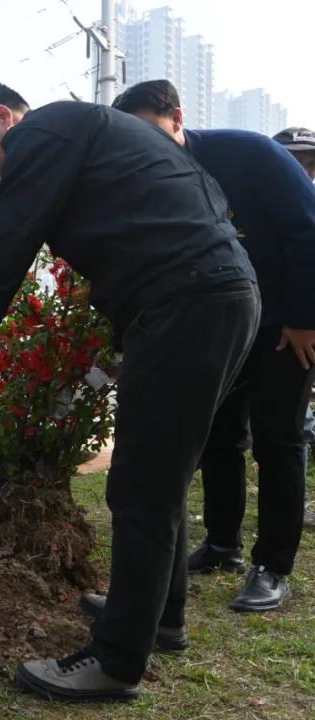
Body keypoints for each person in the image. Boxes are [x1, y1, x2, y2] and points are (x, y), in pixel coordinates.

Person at [0, 81, 257, 702]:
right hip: (215, 296)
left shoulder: (41, 134)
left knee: (139, 484)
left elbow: (7, 239)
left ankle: (116, 662)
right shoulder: (99, 134)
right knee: (159, 474)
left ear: (3, 117)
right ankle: (158, 616)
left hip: (186, 302)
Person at [112, 80, 315, 613]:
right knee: (219, 436)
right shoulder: (148, 177)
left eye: (151, 132)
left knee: (278, 439)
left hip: (283, 329)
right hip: (217, 328)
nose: (143, 146)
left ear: (178, 118)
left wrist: (304, 319)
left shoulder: (250, 153)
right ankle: (224, 545)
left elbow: (307, 230)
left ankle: (273, 566)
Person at [270, 127, 315, 530]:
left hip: (304, 330)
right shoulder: (256, 207)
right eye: (292, 160)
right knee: (292, 425)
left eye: (309, 162)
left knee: (295, 426)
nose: (303, 169)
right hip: (277, 331)